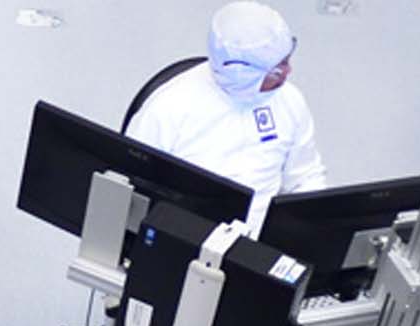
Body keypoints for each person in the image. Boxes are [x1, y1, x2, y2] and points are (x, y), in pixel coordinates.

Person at [127, 1, 328, 235]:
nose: (288, 72)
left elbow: (305, 178)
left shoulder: (290, 101)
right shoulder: (167, 109)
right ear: (241, 72)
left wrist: (312, 233)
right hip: (184, 240)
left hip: (263, 248)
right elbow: (131, 192)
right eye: (278, 66)